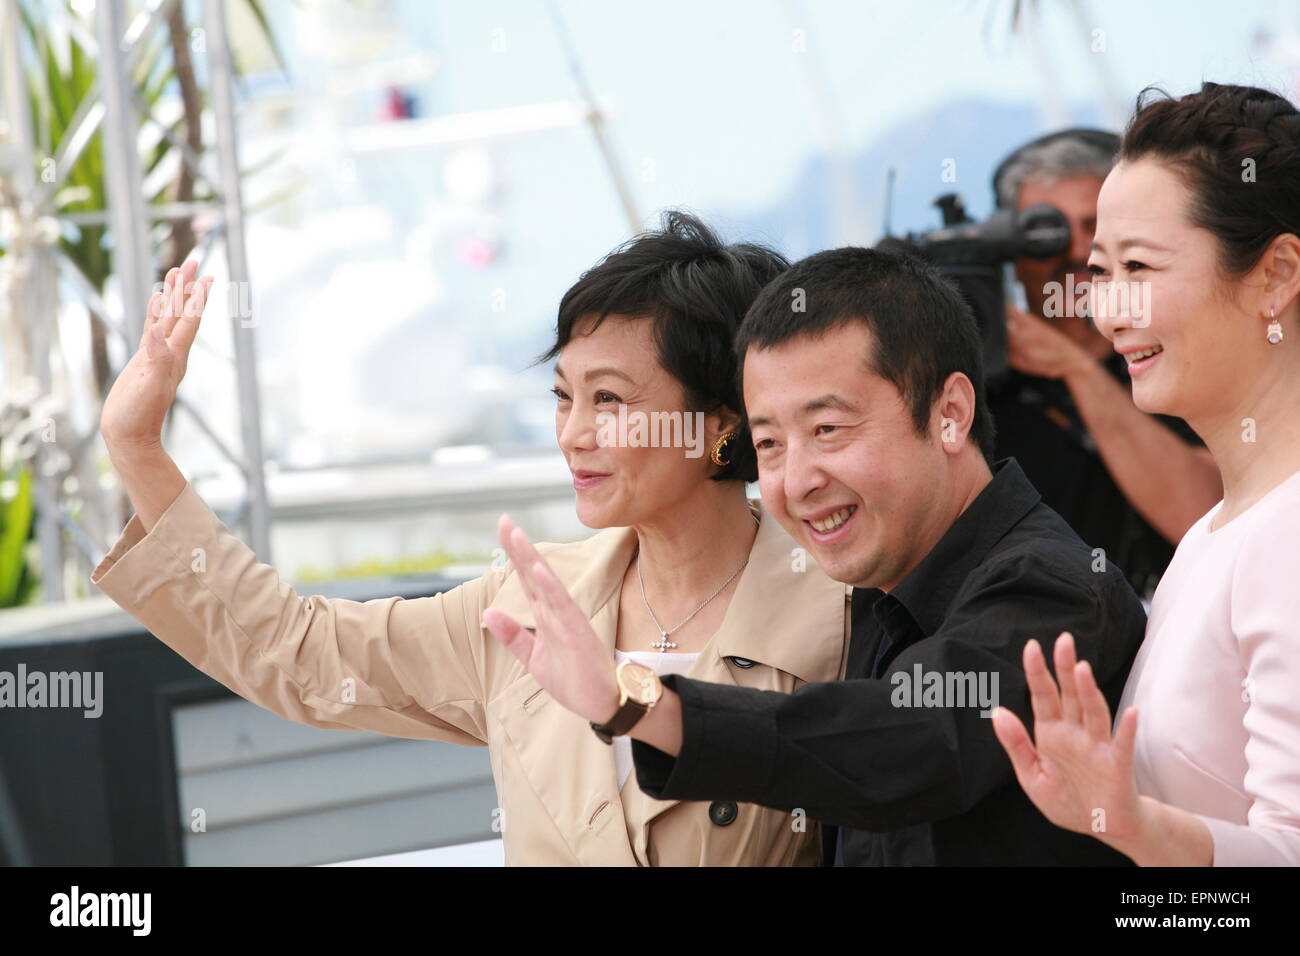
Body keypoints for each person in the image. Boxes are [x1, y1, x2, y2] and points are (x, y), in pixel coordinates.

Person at [90, 211, 851, 866]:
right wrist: (136, 446)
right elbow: (299, 651)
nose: (574, 434)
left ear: (718, 424)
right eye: (562, 397)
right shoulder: (528, 607)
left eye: (610, 400)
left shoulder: (844, 621)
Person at [483, 245, 1149, 865]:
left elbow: (914, 742)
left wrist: (643, 706)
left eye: (827, 430)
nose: (796, 482)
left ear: (949, 413)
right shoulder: (878, 594)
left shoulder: (1051, 587)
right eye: (769, 444)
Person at [991, 82, 1300, 865]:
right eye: (1101, 270)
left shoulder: (1285, 532)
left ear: (1277, 274)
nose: (1108, 309)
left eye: (1138, 265)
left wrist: (1133, 826)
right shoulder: (1210, 536)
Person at [990, 128, 1222, 599]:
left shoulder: (1185, 358)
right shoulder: (978, 390)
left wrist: (1075, 369)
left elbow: (1205, 511)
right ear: (1010, 252)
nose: (1076, 251)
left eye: (1093, 229)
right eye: (1046, 231)